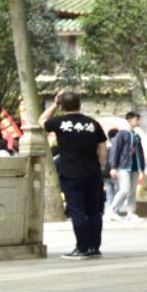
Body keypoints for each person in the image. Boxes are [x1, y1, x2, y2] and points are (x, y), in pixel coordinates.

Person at [41, 91, 108, 259]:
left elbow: (40, 121)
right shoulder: (93, 124)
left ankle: (82, 248)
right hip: (93, 173)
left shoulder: (58, 122)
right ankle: (94, 247)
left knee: (77, 211)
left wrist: (54, 105)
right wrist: (99, 165)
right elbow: (102, 147)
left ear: (61, 106)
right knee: (94, 211)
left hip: (71, 174)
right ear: (80, 104)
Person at [108, 111, 146, 220]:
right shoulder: (121, 134)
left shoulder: (136, 135)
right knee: (125, 189)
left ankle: (130, 213)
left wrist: (142, 168)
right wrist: (113, 167)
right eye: (136, 119)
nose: (138, 121)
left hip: (134, 166)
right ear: (130, 120)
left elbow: (140, 152)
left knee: (132, 191)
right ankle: (111, 209)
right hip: (123, 166)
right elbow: (115, 150)